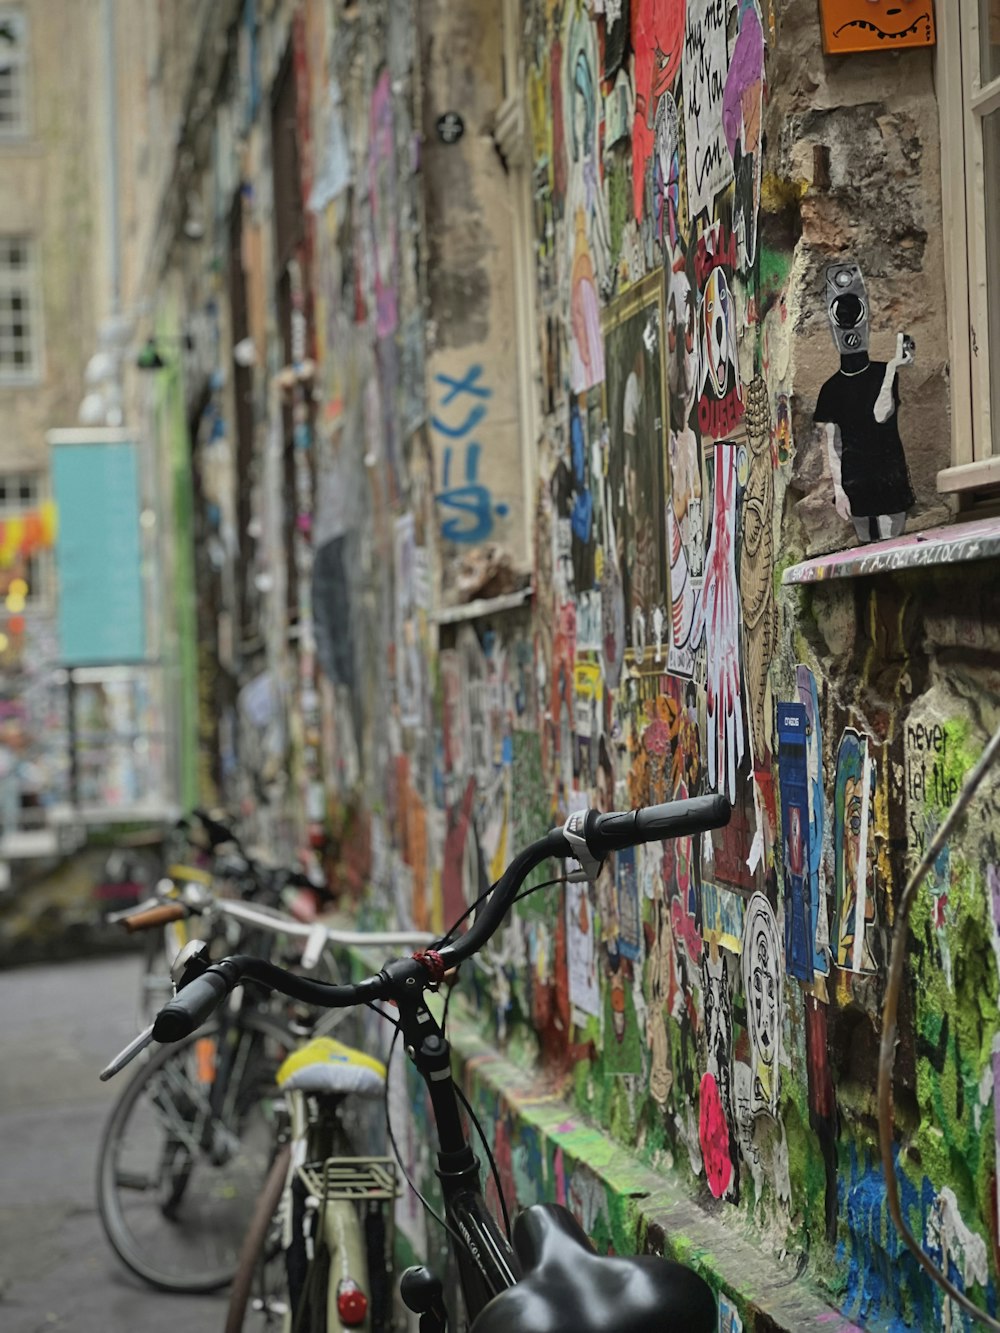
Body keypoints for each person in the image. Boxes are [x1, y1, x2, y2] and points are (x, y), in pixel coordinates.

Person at [814, 263, 915, 543]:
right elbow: (831, 445)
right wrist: (839, 490)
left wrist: (893, 368)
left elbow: (881, 414)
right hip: (857, 482)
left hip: (888, 476)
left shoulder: (885, 372)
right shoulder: (830, 389)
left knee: (892, 549)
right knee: (867, 552)